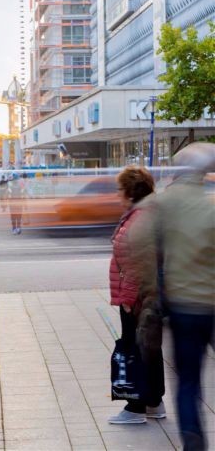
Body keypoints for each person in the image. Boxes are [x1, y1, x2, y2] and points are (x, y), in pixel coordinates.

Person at [136, 143, 215, 450]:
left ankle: (194, 444)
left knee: (188, 382)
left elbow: (140, 245)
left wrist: (151, 290)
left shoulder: (163, 204)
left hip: (182, 306)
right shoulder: (211, 206)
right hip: (212, 302)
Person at [107, 167, 165, 425]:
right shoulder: (142, 213)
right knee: (148, 347)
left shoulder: (140, 217)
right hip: (146, 294)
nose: (117, 194)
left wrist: (128, 298)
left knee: (135, 347)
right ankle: (154, 402)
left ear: (131, 192)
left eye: (120, 189)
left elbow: (137, 262)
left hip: (138, 296)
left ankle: (136, 406)